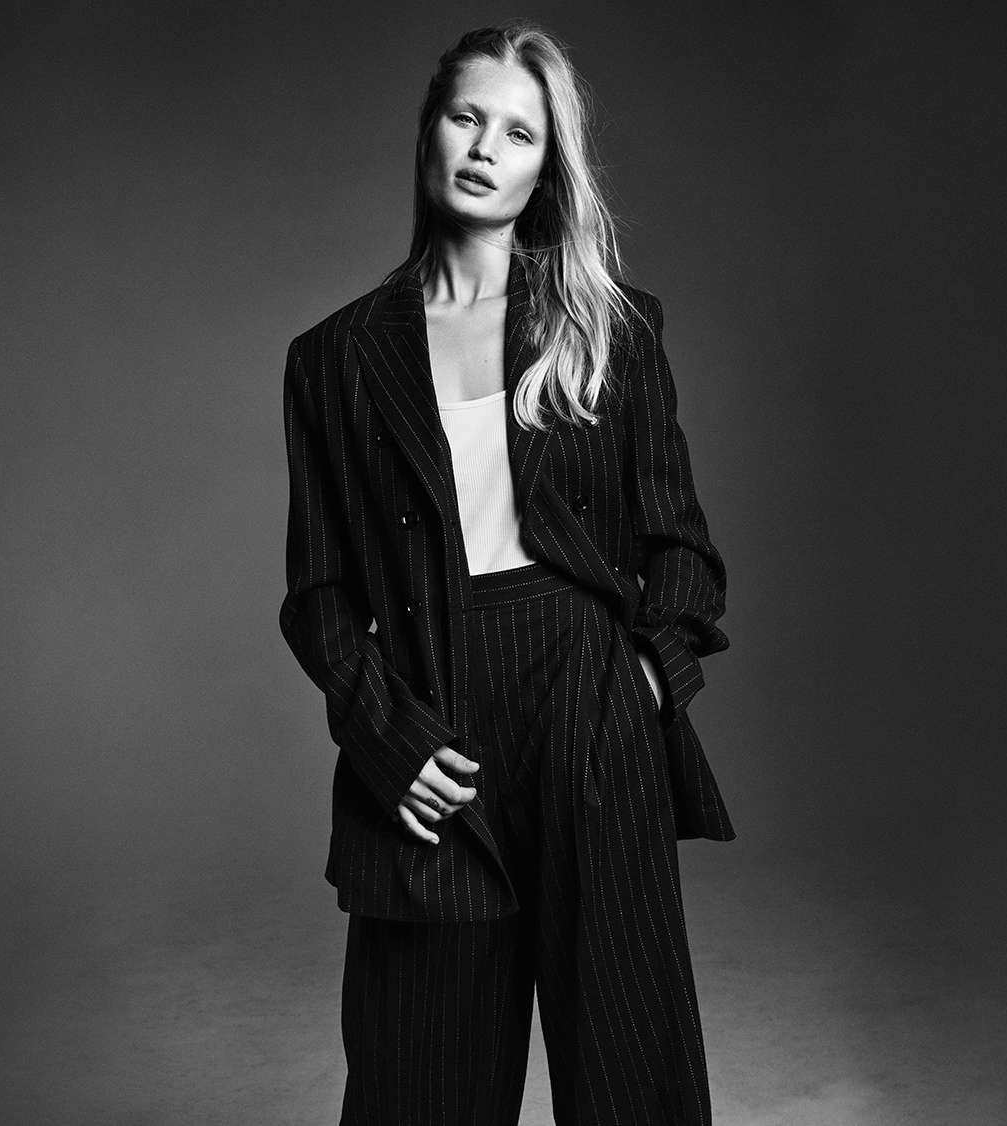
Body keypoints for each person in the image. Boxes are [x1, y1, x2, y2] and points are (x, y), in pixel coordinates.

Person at [279, 20, 733, 1125]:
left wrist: (641, 687)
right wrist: (386, 740)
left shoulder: (610, 330)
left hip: (588, 706)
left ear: (545, 166)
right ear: (427, 130)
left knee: (630, 1081)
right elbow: (319, 594)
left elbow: (682, 552)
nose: (485, 148)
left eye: (518, 132)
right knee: (417, 1088)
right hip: (434, 720)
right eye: (465, 117)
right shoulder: (334, 359)